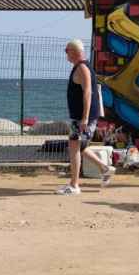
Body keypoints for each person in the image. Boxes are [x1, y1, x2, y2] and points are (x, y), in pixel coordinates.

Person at [57, 39, 115, 195]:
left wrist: (84, 118)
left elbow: (88, 92)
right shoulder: (81, 66)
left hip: (83, 117)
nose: (66, 53)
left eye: (66, 50)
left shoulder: (82, 68)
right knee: (80, 147)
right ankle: (105, 168)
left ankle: (74, 185)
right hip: (83, 117)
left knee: (74, 147)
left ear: (74, 51)